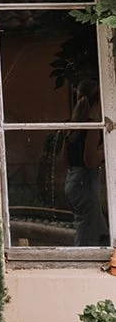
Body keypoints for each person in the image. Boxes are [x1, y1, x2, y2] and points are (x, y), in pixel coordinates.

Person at [65, 75, 107, 247]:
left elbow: (64, 160)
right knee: (90, 234)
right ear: (98, 103)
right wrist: (106, 150)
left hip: (72, 182)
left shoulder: (72, 125)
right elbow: (90, 160)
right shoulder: (93, 127)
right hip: (86, 184)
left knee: (89, 228)